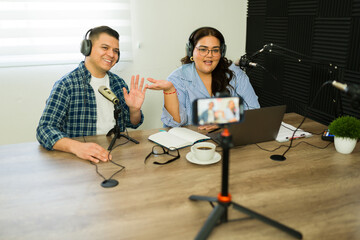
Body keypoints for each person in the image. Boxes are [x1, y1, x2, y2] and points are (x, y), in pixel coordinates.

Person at [36, 26, 146, 163]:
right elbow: (44, 129)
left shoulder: (118, 83)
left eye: (116, 51)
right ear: (87, 48)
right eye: (105, 48)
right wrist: (77, 147)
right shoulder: (66, 85)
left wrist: (134, 110)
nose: (111, 55)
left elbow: (133, 123)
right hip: (79, 159)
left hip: (116, 154)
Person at [146, 26, 260, 130]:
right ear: (191, 51)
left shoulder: (235, 74)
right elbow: (176, 124)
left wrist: (224, 122)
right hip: (192, 145)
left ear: (222, 52)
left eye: (215, 50)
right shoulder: (178, 78)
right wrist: (169, 90)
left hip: (229, 139)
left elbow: (254, 109)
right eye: (203, 49)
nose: (209, 55)